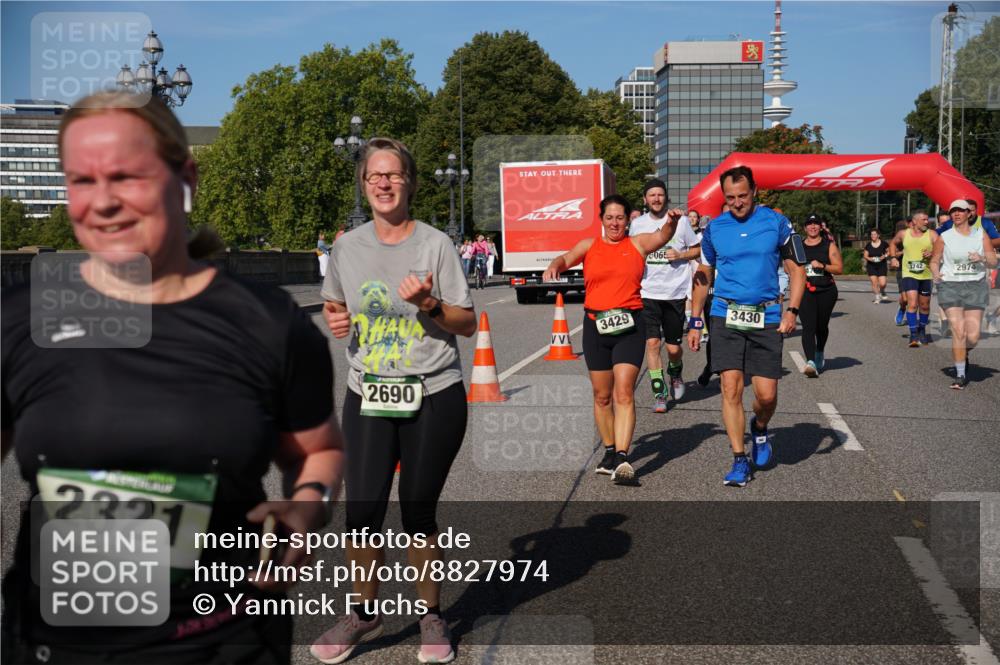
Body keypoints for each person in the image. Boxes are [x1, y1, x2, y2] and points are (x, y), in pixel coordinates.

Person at [1, 91, 343, 663]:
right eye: (82, 181)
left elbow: (319, 451)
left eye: (127, 176)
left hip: (224, 641)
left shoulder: (268, 322)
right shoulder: (23, 317)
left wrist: (310, 503)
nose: (103, 202)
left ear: (185, 177)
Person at [315, 137, 476, 664]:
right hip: (368, 393)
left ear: (410, 182)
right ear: (364, 184)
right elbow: (334, 303)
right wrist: (334, 319)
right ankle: (363, 612)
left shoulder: (435, 245)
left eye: (394, 174)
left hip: (433, 392)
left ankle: (431, 614)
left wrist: (428, 302)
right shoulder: (346, 247)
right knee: (360, 512)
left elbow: (467, 323)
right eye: (374, 176)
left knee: (416, 511)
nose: (384, 183)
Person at [543, 194, 680, 484]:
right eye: (610, 218)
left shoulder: (637, 243)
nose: (615, 223)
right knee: (602, 396)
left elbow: (662, 235)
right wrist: (554, 265)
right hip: (595, 326)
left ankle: (622, 456)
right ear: (601, 219)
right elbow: (566, 258)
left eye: (620, 217)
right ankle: (608, 450)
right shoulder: (589, 245)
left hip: (629, 325)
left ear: (627, 219)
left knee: (624, 392)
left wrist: (672, 222)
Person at [687, 166, 805, 488]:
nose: (737, 203)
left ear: (754, 191)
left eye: (742, 196)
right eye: (730, 198)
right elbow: (704, 275)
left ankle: (761, 427)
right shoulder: (714, 230)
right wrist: (696, 320)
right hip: (726, 316)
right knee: (730, 387)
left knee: (766, 395)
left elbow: (797, 270)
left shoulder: (777, 223)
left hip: (766, 316)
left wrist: (792, 310)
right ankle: (739, 458)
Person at [629, 179, 701, 413]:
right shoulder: (638, 224)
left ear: (665, 198)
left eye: (660, 195)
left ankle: (676, 371)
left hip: (674, 293)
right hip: (647, 291)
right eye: (652, 195)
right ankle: (659, 393)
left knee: (672, 349)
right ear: (645, 200)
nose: (656, 199)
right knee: (652, 343)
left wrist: (681, 254)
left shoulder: (680, 223)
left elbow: (697, 249)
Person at [931, 199, 998, 389]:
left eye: (961, 211)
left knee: (973, 336)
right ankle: (960, 376)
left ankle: (963, 353)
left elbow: (993, 262)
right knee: (958, 331)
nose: (956, 214)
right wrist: (936, 273)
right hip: (950, 285)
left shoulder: (980, 234)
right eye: (953, 211)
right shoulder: (944, 237)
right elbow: (935, 261)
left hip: (975, 285)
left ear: (969, 213)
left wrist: (982, 258)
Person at [799, 214, 843, 377]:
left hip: (827, 291)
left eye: (816, 224)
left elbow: (839, 268)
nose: (813, 227)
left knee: (821, 326)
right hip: (805, 290)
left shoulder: (829, 245)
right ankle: (810, 361)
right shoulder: (799, 246)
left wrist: (823, 266)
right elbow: (789, 266)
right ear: (805, 228)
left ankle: (819, 351)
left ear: (820, 227)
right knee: (808, 326)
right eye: (809, 224)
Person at [889, 210, 938, 346]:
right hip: (909, 274)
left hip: (926, 275)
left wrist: (933, 252)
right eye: (924, 220)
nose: (927, 222)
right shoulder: (904, 234)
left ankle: (922, 330)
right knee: (912, 304)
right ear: (915, 221)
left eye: (927, 220)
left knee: (924, 305)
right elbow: (892, 244)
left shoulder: (932, 234)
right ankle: (913, 335)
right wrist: (893, 258)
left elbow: (942, 248)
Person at [891, 219, 910, 326]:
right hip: (902, 269)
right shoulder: (899, 240)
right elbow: (893, 253)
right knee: (905, 298)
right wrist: (904, 251)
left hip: (916, 270)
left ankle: (913, 320)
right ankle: (902, 308)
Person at [863, 227, 889, 303]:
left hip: (882, 265)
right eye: (871, 234)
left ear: (878, 235)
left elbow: (889, 252)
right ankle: (877, 297)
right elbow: (865, 255)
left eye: (874, 234)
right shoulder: (868, 245)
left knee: (883, 283)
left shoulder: (884, 244)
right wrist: (870, 259)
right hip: (871, 265)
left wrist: (884, 256)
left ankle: (882, 290)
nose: (873, 236)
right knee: (874, 282)